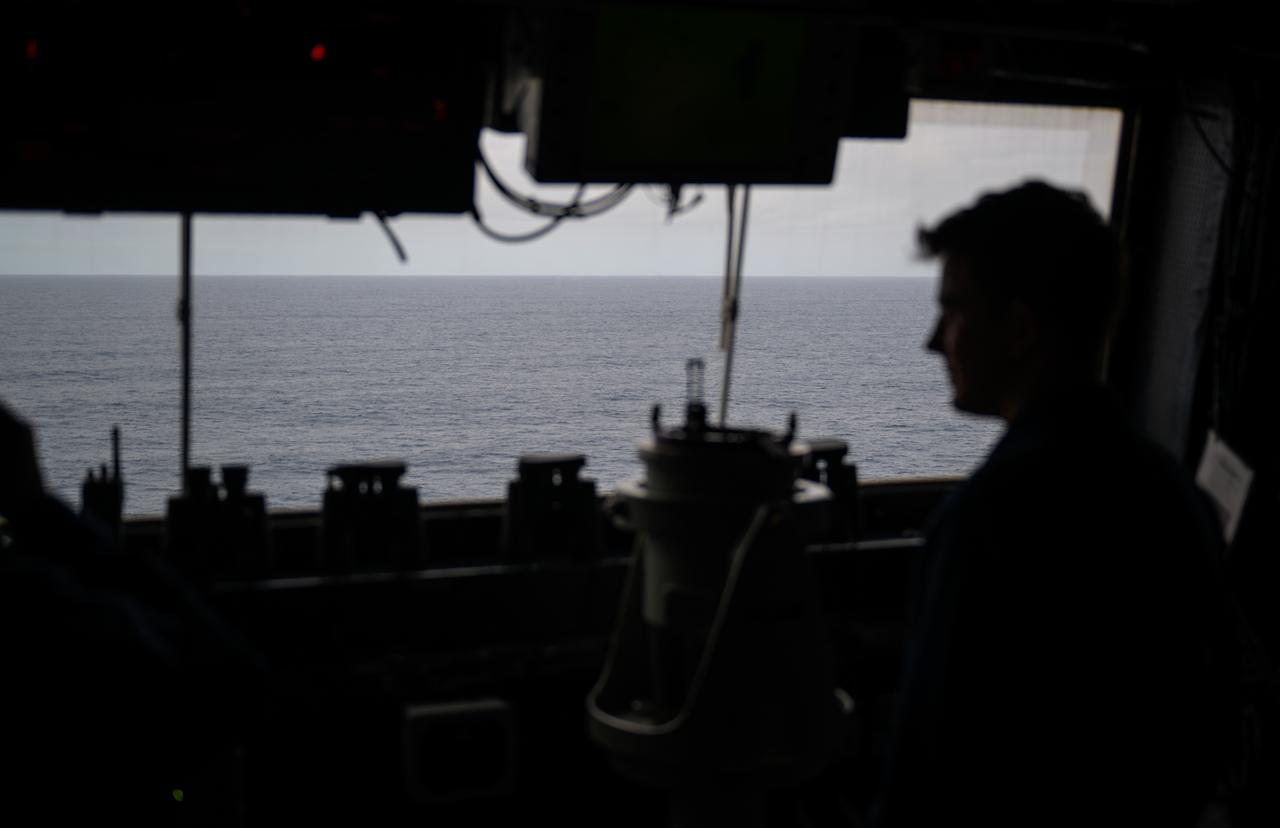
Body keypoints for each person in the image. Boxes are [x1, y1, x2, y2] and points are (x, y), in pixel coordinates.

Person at [870, 181, 1239, 827]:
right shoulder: (1178, 497)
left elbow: (925, 781)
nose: (935, 342)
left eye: (954, 312)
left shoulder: (986, 519)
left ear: (1018, 331)